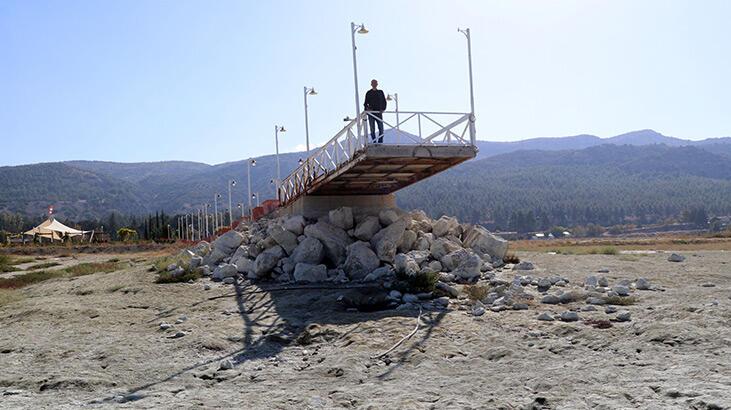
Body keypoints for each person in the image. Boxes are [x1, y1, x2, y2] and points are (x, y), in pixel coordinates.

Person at [364, 79, 387, 143]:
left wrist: (383, 109)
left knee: (381, 129)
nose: (374, 84)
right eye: (373, 83)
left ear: (377, 84)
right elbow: (365, 103)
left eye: (375, 83)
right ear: (371, 84)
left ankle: (380, 142)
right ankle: (374, 142)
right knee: (372, 129)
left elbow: (384, 102)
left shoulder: (380, 92)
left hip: (378, 113)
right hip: (371, 113)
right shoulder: (368, 93)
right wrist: (367, 109)